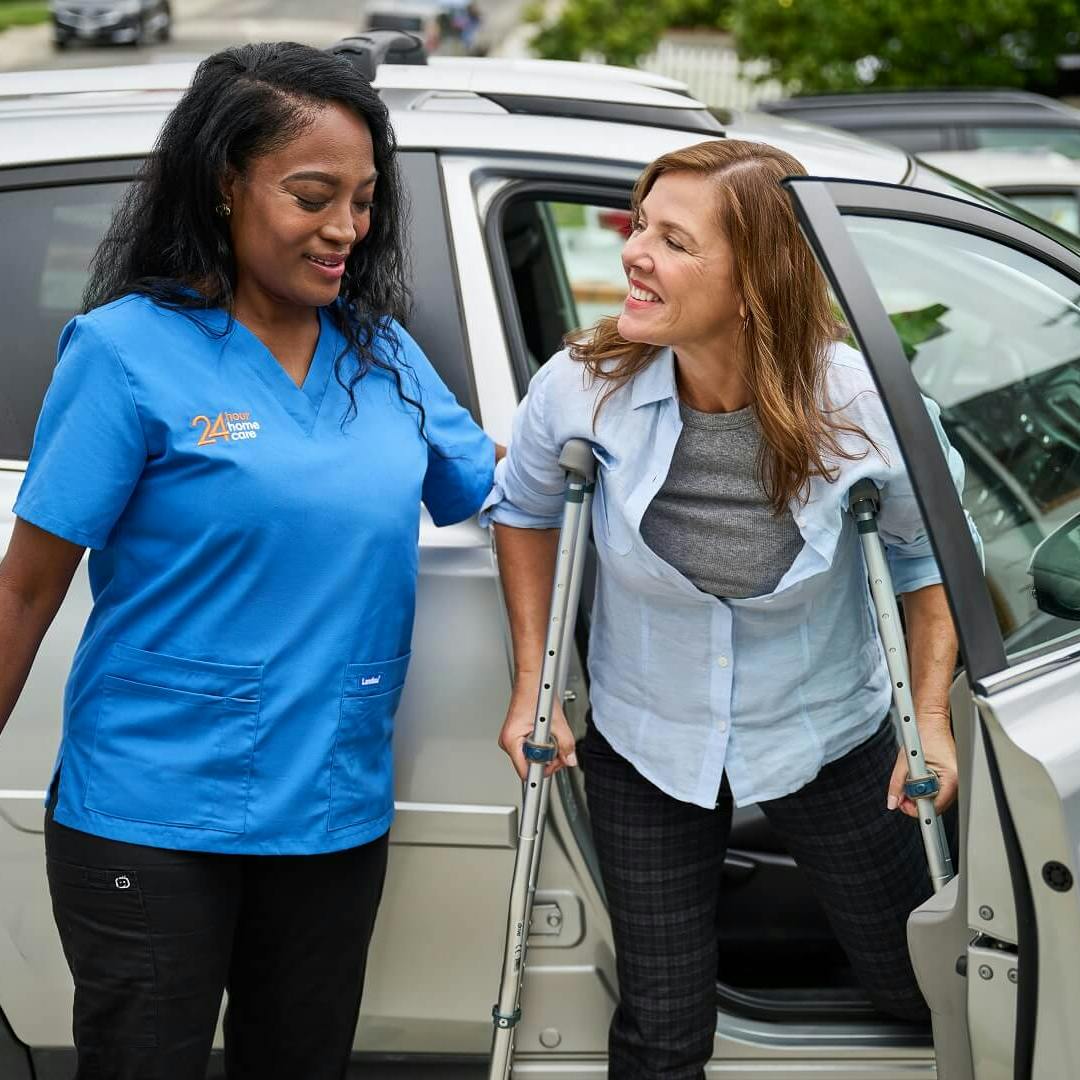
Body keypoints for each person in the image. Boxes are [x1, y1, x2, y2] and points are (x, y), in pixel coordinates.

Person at [0, 42, 494, 1079]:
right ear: (225, 184)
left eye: (364, 201)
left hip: (331, 811)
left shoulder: (382, 355)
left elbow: (502, 491)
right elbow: (25, 590)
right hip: (151, 814)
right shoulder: (123, 351)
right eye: (313, 197)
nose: (347, 228)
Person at [483, 139, 976, 1079]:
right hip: (646, 732)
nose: (634, 252)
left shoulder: (866, 405)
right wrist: (531, 686)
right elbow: (528, 513)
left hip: (825, 729)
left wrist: (932, 720)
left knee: (913, 982)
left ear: (754, 282)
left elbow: (927, 556)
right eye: (642, 225)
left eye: (674, 241)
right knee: (663, 1029)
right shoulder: (581, 387)